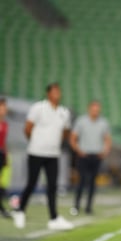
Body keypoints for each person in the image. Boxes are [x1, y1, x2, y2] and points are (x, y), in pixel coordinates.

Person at [12, 83, 74, 230]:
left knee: (52, 186)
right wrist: (36, 142)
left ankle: (53, 218)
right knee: (31, 183)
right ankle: (20, 210)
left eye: (59, 90)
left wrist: (54, 142)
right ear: (48, 93)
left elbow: (65, 131)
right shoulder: (38, 108)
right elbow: (27, 128)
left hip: (53, 154)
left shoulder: (63, 112)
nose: (57, 93)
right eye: (54, 91)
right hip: (36, 152)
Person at [69, 100, 111, 216]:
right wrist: (78, 150)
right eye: (94, 109)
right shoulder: (81, 121)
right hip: (84, 155)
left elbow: (107, 139)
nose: (96, 112)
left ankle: (88, 206)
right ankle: (76, 205)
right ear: (89, 109)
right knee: (81, 181)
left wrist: (105, 151)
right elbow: (73, 138)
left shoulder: (103, 122)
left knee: (93, 183)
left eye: (97, 109)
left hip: (96, 156)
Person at [0, 98, 10, 218]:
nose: (4, 109)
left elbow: (3, 142)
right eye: (2, 107)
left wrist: (6, 155)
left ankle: (1, 207)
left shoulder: (5, 124)